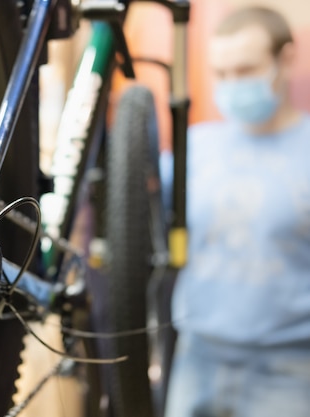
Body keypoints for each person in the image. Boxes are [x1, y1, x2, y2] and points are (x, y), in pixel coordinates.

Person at [165, 6, 310, 417]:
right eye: (221, 74)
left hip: (290, 370)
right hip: (195, 356)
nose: (231, 85)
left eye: (245, 70)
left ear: (285, 59)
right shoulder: (190, 148)